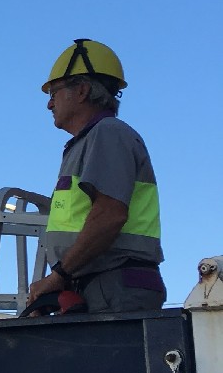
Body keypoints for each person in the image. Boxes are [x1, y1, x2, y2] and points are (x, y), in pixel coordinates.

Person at [27, 39, 165, 314]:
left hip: (115, 287)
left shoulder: (108, 134)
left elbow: (110, 215)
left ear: (81, 90)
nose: (49, 104)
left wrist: (58, 276)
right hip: (96, 286)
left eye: (54, 92)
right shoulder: (90, 141)